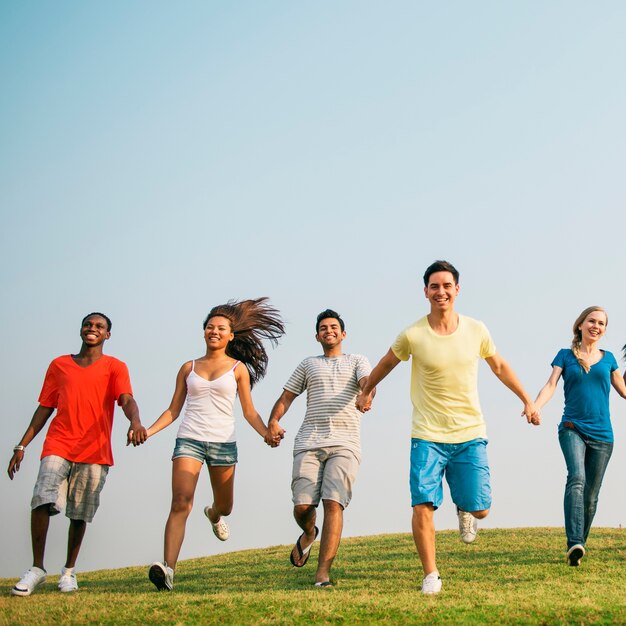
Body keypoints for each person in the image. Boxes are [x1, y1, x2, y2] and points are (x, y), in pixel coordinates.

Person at [355, 260, 539, 595]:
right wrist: (366, 391)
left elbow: (499, 366)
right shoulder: (412, 334)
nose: (441, 292)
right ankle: (431, 574)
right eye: (434, 286)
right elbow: (385, 363)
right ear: (425, 291)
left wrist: (526, 399)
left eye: (447, 286)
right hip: (427, 435)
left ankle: (465, 508)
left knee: (481, 508)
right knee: (422, 503)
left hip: (470, 433)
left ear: (457, 290)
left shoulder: (476, 330)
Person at [145, 298, 285, 591]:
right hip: (189, 440)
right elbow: (173, 410)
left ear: (231, 335)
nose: (214, 331)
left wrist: (266, 433)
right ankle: (168, 569)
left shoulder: (238, 369)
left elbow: (248, 411)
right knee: (180, 502)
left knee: (226, 505)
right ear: (204, 332)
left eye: (221, 328)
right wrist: (148, 431)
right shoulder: (188, 367)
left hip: (223, 443)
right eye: (210, 327)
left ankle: (214, 514)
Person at [7, 312, 147, 597]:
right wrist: (21, 446)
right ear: (81, 329)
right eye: (88, 324)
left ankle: (68, 572)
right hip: (58, 443)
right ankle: (36, 569)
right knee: (41, 498)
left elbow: (126, 399)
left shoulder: (115, 367)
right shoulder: (59, 365)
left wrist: (135, 421)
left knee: (79, 513)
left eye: (99, 326)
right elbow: (45, 407)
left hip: (95, 450)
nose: (92, 329)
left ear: (107, 335)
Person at [267, 309, 372, 588]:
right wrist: (274, 421)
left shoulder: (357, 361)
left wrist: (365, 394)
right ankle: (309, 531)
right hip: (308, 442)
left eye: (334, 327)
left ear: (343, 333)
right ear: (317, 335)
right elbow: (286, 396)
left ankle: (322, 574)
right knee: (302, 506)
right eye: (323, 328)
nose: (329, 330)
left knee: (333, 503)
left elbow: (367, 383)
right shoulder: (308, 364)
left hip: (345, 443)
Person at [533, 306, 626, 566]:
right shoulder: (565, 356)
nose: (596, 326)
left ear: (604, 330)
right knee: (577, 478)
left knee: (591, 496)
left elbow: (625, 391)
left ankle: (578, 547)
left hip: (603, 435)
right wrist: (536, 406)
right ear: (581, 325)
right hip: (572, 428)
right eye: (592, 321)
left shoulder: (609, 360)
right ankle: (574, 540)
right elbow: (551, 385)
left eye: (601, 323)